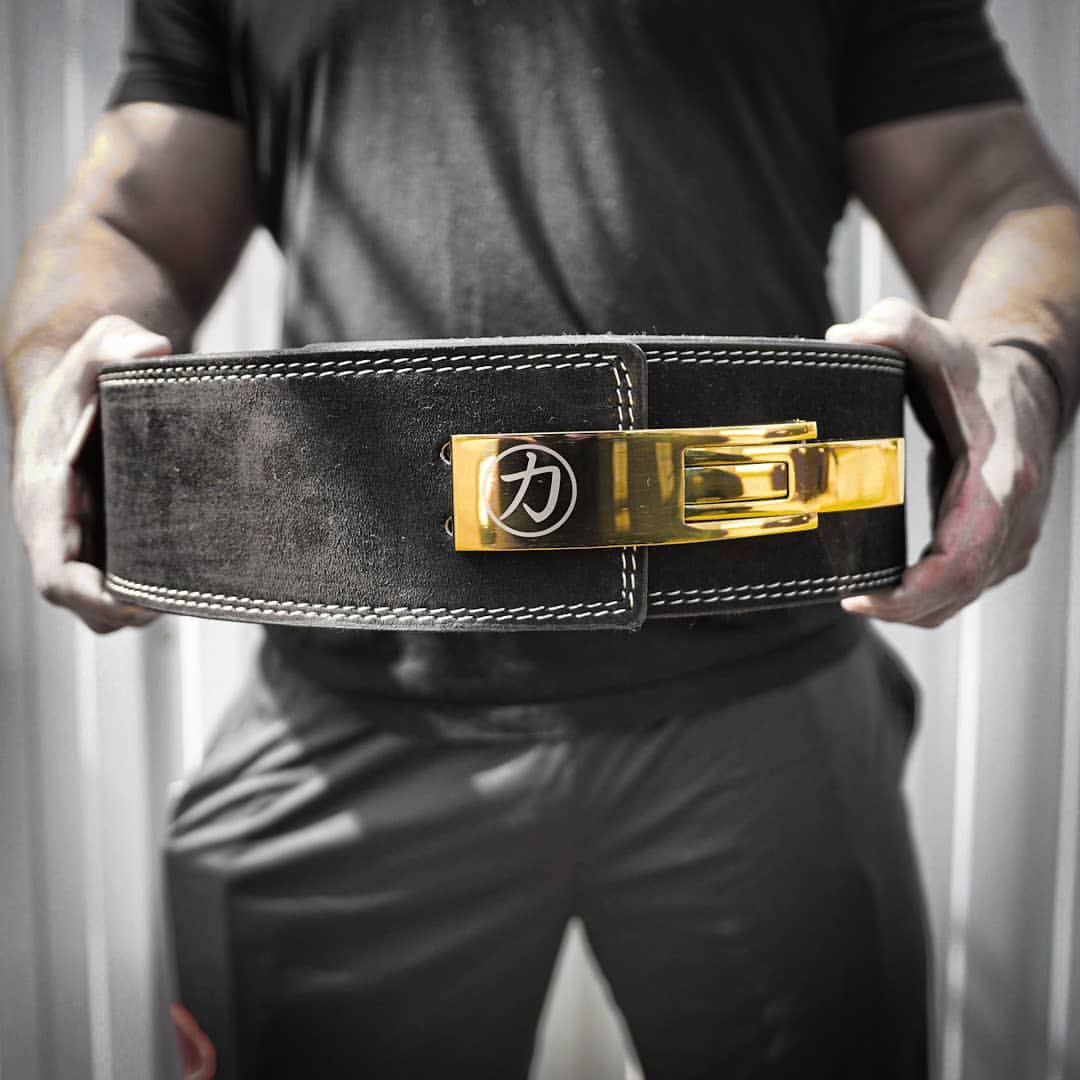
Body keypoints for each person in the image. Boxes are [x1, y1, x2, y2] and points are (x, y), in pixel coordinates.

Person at [3, 1, 1078, 1077]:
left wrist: (1019, 380)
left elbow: (992, 192)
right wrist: (57, 376)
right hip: (347, 707)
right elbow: (132, 219)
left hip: (772, 705)